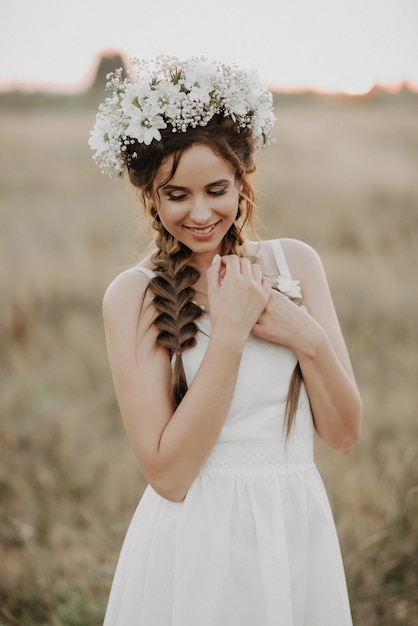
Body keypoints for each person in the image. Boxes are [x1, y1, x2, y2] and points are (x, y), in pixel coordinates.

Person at [89, 56, 362, 626]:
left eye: (217, 189)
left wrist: (305, 336)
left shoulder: (297, 265)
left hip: (293, 531)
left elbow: (342, 434)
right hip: (194, 545)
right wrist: (231, 334)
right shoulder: (132, 297)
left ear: (243, 179)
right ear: (151, 197)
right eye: (176, 195)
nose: (200, 213)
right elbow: (168, 474)